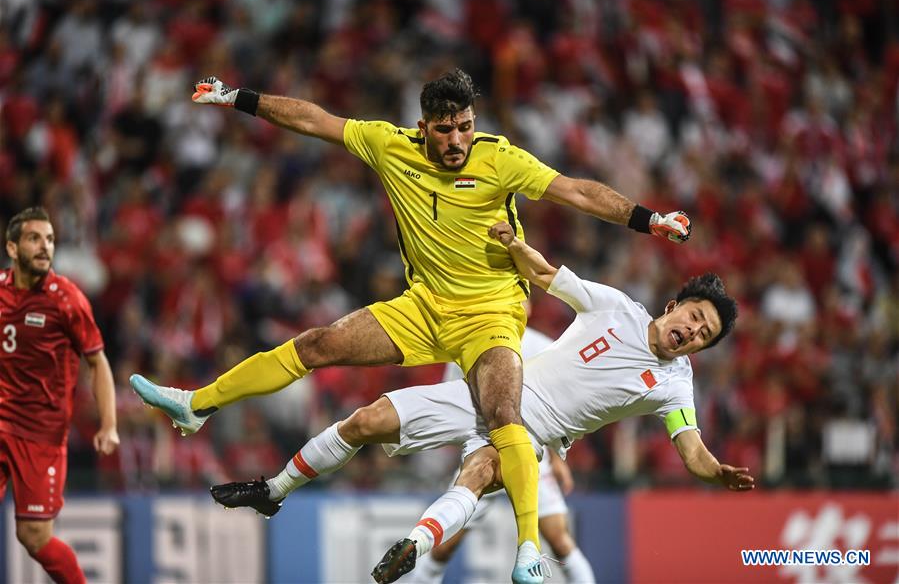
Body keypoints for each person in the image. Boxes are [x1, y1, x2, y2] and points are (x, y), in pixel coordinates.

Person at [130, 69, 691, 582]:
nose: (457, 142)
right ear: (423, 126)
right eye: (445, 130)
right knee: (318, 343)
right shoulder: (389, 145)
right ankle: (197, 405)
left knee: (503, 416)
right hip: (423, 306)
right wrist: (238, 99)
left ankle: (528, 554)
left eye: (465, 128)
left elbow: (576, 191)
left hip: (492, 313)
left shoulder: (501, 159)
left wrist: (649, 220)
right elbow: (314, 120)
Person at [209, 221, 751, 584]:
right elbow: (546, 275)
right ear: (674, 304)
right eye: (694, 318)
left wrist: (715, 473)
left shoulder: (676, 384)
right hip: (490, 393)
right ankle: (273, 490)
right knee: (366, 420)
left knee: (477, 472)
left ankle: (413, 552)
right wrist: (514, 245)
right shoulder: (615, 308)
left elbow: (691, 449)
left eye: (704, 335)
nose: (693, 332)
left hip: (530, 440)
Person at [406, 327, 595, 584]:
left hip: (532, 454)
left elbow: (556, 403)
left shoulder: (544, 345)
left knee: (559, 540)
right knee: (444, 545)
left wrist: (554, 454)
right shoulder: (468, 340)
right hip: (484, 450)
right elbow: (455, 398)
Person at [0, 207, 119, 584]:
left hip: (41, 436)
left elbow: (98, 364)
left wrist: (109, 425)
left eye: (49, 239)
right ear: (12, 248)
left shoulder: (67, 300)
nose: (44, 247)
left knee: (34, 536)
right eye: (35, 238)